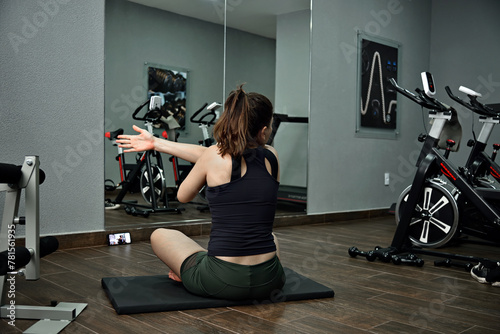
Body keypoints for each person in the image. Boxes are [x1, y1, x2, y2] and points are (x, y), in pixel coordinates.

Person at [116, 85, 285, 300]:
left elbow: (183, 196)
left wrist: (206, 171)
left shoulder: (213, 156)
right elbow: (217, 155)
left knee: (160, 235)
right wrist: (156, 143)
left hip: (220, 281)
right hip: (270, 282)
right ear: (263, 131)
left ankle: (189, 272)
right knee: (271, 237)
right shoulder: (273, 157)